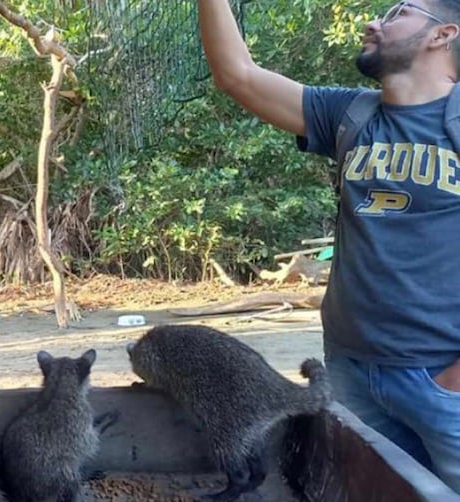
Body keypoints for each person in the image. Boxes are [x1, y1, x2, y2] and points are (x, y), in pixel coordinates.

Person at [196, 0, 460, 492]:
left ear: (442, 35)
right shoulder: (349, 112)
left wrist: (453, 383)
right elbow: (238, 75)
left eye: (398, 12)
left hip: (443, 382)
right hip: (350, 373)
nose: (372, 22)